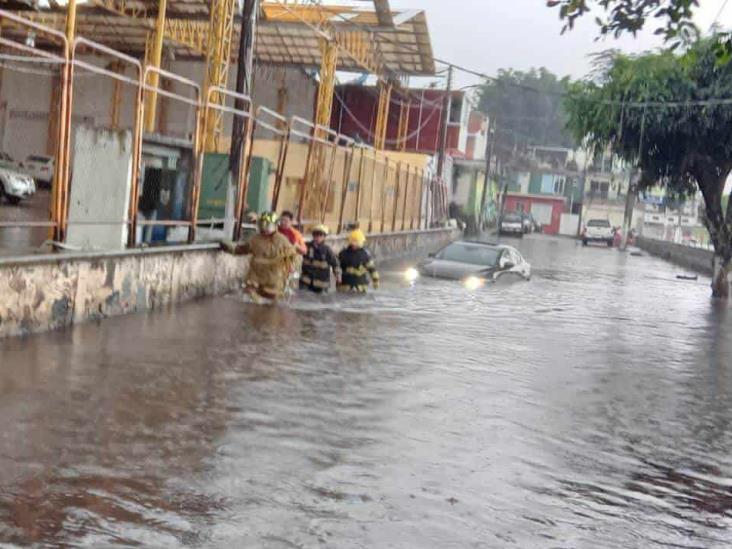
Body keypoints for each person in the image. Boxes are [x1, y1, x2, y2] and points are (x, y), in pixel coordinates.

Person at [220, 211, 298, 300]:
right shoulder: (255, 239)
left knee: (271, 306)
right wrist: (228, 247)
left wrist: (290, 267)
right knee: (250, 299)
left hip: (273, 281)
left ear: (275, 226)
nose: (264, 228)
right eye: (262, 224)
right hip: (255, 279)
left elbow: (292, 256)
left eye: (267, 225)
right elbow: (241, 249)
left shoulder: (282, 241)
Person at [300, 225, 341, 293]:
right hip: (306, 282)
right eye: (316, 235)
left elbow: (335, 263)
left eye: (320, 235)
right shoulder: (306, 246)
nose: (318, 237)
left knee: (320, 302)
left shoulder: (327, 250)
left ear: (324, 237)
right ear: (313, 236)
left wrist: (338, 275)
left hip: (321, 285)